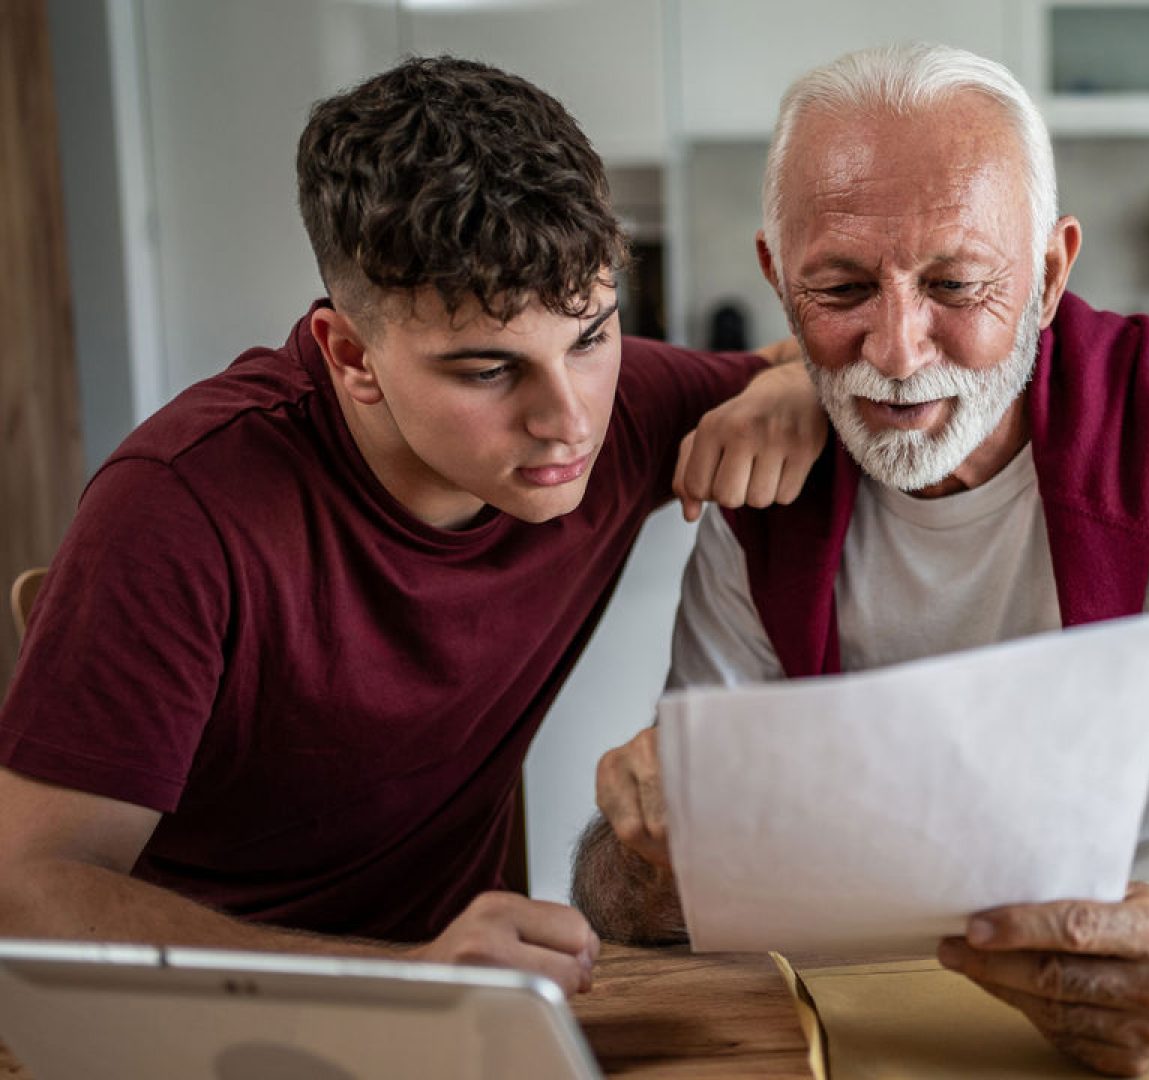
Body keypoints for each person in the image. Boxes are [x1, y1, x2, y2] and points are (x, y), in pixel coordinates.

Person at [577, 43, 1149, 1075]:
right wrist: (649, 837)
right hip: (870, 1035)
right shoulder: (762, 496)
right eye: (840, 288)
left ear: (1050, 275)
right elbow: (640, 901)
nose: (896, 350)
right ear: (775, 277)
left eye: (957, 284)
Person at [0, 57, 826, 998]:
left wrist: (791, 384)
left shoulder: (617, 410)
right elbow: (27, 891)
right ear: (350, 355)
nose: (570, 420)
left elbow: (798, 355)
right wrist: (402, 980)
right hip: (202, 1020)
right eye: (487, 371)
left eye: (591, 334)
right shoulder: (180, 507)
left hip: (481, 1019)